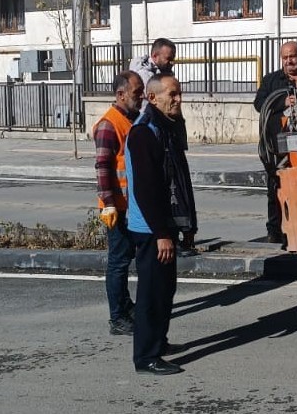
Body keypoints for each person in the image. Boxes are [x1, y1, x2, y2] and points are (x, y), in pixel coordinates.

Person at [125, 73, 197, 376]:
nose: (178, 99)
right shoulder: (144, 133)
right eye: (172, 94)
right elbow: (145, 189)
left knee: (165, 290)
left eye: (179, 93)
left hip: (162, 226)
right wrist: (162, 234)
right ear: (153, 98)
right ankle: (146, 357)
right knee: (151, 295)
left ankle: (159, 342)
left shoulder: (165, 128)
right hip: (151, 229)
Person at [253, 41, 297, 245]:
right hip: (277, 143)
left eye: (292, 56)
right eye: (285, 58)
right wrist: (282, 102)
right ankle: (275, 230)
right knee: (276, 187)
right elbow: (259, 104)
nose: (289, 61)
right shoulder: (272, 80)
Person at [93, 70, 145, 336]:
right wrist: (109, 203)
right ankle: (117, 317)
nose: (141, 98)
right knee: (118, 262)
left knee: (125, 259)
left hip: (130, 205)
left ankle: (126, 305)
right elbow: (102, 166)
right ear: (120, 94)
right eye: (137, 94)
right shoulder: (109, 124)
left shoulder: (131, 119)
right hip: (117, 207)